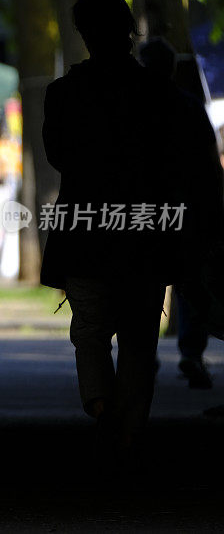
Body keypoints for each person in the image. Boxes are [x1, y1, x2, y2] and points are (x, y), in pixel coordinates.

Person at [41, 0, 207, 463]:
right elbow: (185, 165)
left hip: (86, 230)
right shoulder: (162, 95)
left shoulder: (63, 93)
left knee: (90, 329)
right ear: (129, 31)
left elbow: (58, 156)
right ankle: (131, 429)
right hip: (148, 235)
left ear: (83, 34)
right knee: (139, 337)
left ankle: (100, 403)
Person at [139, 37, 224, 390]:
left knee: (144, 284)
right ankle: (191, 352)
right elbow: (208, 164)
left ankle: (144, 355)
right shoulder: (188, 106)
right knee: (191, 283)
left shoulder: (130, 107)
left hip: (142, 210)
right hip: (186, 207)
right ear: (173, 68)